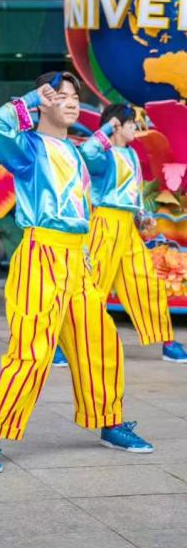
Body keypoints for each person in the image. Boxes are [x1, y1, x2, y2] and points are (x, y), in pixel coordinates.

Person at [0, 71, 153, 474]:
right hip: (42, 254)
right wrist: (33, 97)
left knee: (99, 341)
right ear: (42, 102)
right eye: (60, 95)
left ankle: (109, 421)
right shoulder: (27, 147)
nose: (70, 102)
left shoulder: (74, 149)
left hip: (77, 257)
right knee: (32, 350)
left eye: (74, 97)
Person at [80, 103, 185, 363]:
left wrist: (143, 219)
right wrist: (107, 128)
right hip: (104, 224)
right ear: (117, 126)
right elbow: (87, 151)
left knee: (146, 281)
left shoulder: (131, 155)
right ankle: (67, 342)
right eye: (130, 124)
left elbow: (135, 194)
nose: (136, 129)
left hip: (127, 226)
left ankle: (167, 341)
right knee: (91, 284)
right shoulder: (103, 156)